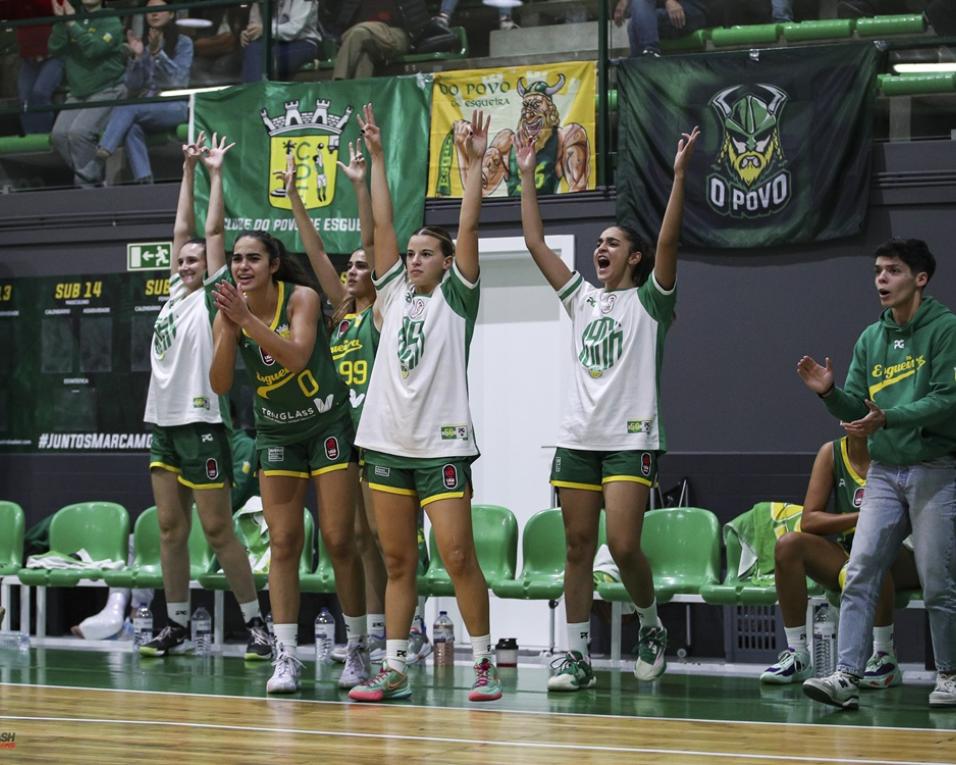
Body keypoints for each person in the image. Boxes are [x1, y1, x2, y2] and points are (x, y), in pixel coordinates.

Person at [518, 124, 699, 691]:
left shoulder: (650, 301)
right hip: (577, 437)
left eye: (612, 242)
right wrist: (526, 174)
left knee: (621, 545)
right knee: (577, 547)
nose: (600, 249)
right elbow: (534, 244)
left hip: (630, 438)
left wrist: (677, 178)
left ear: (635, 257)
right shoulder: (583, 298)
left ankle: (650, 625)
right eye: (598, 242)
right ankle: (573, 656)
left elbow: (669, 244)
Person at [348, 105, 502, 703]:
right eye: (410, 253)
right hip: (386, 442)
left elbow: (467, 232)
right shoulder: (390, 295)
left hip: (441, 446)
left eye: (424, 254)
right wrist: (380, 158)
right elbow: (380, 229)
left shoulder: (457, 300)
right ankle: (394, 667)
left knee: (459, 555)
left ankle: (484, 662)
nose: (412, 259)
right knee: (395, 561)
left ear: (445, 264)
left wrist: (472, 171)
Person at [209, 208, 367, 696]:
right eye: (236, 259)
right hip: (276, 433)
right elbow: (218, 382)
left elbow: (297, 357)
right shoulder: (230, 309)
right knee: (283, 545)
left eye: (253, 258)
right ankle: (286, 655)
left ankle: (358, 648)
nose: (242, 267)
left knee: (340, 540)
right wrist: (229, 327)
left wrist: (245, 320)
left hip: (326, 424)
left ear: (273, 263)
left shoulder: (301, 297)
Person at [797, 238, 956, 710]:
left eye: (892, 271)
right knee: (860, 569)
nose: (881, 280)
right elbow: (857, 409)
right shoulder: (871, 338)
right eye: (877, 271)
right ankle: (846, 674)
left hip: (935, 469)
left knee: (938, 579)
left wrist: (888, 417)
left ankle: (948, 675)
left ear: (919, 279)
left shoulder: (945, 329)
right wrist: (830, 395)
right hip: (886, 472)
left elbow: (948, 398)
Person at [139, 132, 271, 662]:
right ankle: (174, 626)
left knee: (217, 529)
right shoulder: (175, 293)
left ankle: (256, 625)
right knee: (171, 530)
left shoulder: (216, 300)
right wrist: (187, 169)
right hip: (164, 425)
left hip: (201, 423)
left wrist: (215, 173)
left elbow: (209, 230)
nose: (186, 264)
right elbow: (182, 230)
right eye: (184, 261)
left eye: (195, 261)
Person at [760, 433, 919, 687]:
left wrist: (877, 523)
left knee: (875, 553)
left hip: (907, 551)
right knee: (789, 545)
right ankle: (798, 653)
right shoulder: (831, 453)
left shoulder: (899, 449)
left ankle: (884, 656)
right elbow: (810, 520)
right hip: (852, 550)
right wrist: (863, 518)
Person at [95, 0, 192, 184]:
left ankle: (104, 150)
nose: (154, 14)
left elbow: (178, 80)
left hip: (174, 105)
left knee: (128, 108)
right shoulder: (145, 46)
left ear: (171, 14)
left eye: (160, 10)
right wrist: (138, 57)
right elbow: (133, 85)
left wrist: (158, 55)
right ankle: (144, 180)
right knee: (132, 128)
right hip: (148, 107)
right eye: (150, 10)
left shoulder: (184, 43)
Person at [48, 0, 125, 187]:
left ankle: (86, 188)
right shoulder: (71, 19)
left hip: (108, 89)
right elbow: (54, 48)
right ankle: (92, 178)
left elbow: (94, 49)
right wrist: (61, 21)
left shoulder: (110, 19)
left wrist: (72, 23)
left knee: (78, 133)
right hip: (77, 93)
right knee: (58, 135)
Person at [0, 0, 65, 134]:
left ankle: (45, 137)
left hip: (52, 57)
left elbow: (57, 7)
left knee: (40, 93)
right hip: (29, 60)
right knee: (24, 98)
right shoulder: (15, 5)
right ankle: (31, 137)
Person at [240, 0, 322, 82]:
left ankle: (255, 92)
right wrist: (248, 34)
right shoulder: (259, 2)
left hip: (303, 43)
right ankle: (257, 91)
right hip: (273, 44)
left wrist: (264, 30)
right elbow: (255, 26)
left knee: (259, 57)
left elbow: (294, 29)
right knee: (252, 48)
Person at [331, 1, 410, 80]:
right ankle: (360, 90)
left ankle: (337, 82)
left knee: (358, 33)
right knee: (364, 55)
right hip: (365, 37)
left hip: (395, 33)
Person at [613, 0, 712, 57]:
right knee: (633, 23)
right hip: (664, 17)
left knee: (635, 22)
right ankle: (646, 58)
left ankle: (650, 54)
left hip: (693, 10)